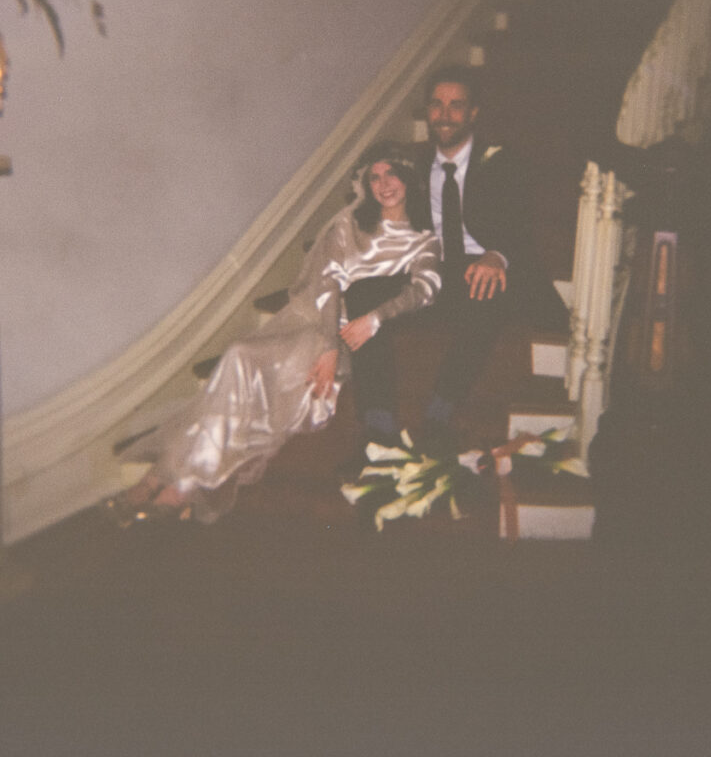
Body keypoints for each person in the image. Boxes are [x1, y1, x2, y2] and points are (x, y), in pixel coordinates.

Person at [103, 141, 440, 526]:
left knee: (242, 360)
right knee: (238, 358)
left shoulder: (424, 239)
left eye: (391, 174)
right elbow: (328, 283)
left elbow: (424, 290)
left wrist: (375, 318)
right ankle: (171, 479)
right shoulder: (349, 226)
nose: (383, 184)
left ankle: (170, 480)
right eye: (375, 177)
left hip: (354, 337)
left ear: (408, 179)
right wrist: (327, 346)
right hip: (316, 323)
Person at [346, 65, 569, 445]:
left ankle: (439, 413)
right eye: (436, 105)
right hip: (429, 272)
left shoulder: (503, 162)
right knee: (361, 293)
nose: (444, 115)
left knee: (486, 286)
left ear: (473, 113)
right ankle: (379, 423)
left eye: (456, 105)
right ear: (427, 111)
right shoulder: (410, 166)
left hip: (479, 270)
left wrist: (497, 255)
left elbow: (520, 223)